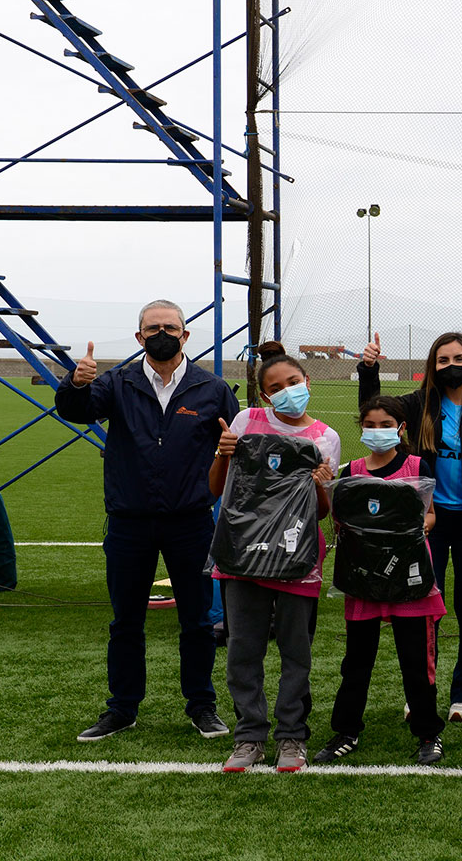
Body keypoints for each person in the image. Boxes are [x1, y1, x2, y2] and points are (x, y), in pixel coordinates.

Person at [55, 299, 238, 745]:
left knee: (197, 622)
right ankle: (122, 709)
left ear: (185, 335)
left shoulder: (211, 388)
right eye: (153, 327)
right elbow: (75, 410)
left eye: (170, 327)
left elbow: (240, 440)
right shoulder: (117, 383)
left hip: (191, 522)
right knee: (125, 622)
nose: (162, 333)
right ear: (139, 338)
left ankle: (202, 706)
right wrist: (75, 383)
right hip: (128, 523)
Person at [358, 331, 462, 723]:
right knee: (425, 611)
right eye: (443, 360)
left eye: (458, 358)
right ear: (433, 366)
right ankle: (421, 690)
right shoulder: (418, 404)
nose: (451, 366)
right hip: (427, 523)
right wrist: (369, 370)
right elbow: (376, 415)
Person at [210, 343, 339, 772]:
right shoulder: (247, 421)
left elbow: (319, 511)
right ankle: (249, 735)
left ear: (308, 382)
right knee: (242, 650)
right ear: (264, 396)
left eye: (293, 383)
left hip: (296, 555)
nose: (286, 391)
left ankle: (291, 737)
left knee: (294, 652)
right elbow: (217, 489)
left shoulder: (326, 437)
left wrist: (321, 483)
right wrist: (222, 452)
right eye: (275, 387)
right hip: (241, 554)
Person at [313, 395, 446, 767]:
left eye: (385, 424)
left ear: (400, 428)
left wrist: (423, 524)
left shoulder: (418, 465)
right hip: (364, 580)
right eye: (370, 425)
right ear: (361, 427)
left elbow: (432, 514)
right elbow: (341, 521)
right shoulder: (352, 471)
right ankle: (346, 731)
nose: (377, 431)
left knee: (416, 664)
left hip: (411, 579)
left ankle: (427, 734)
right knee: (356, 662)